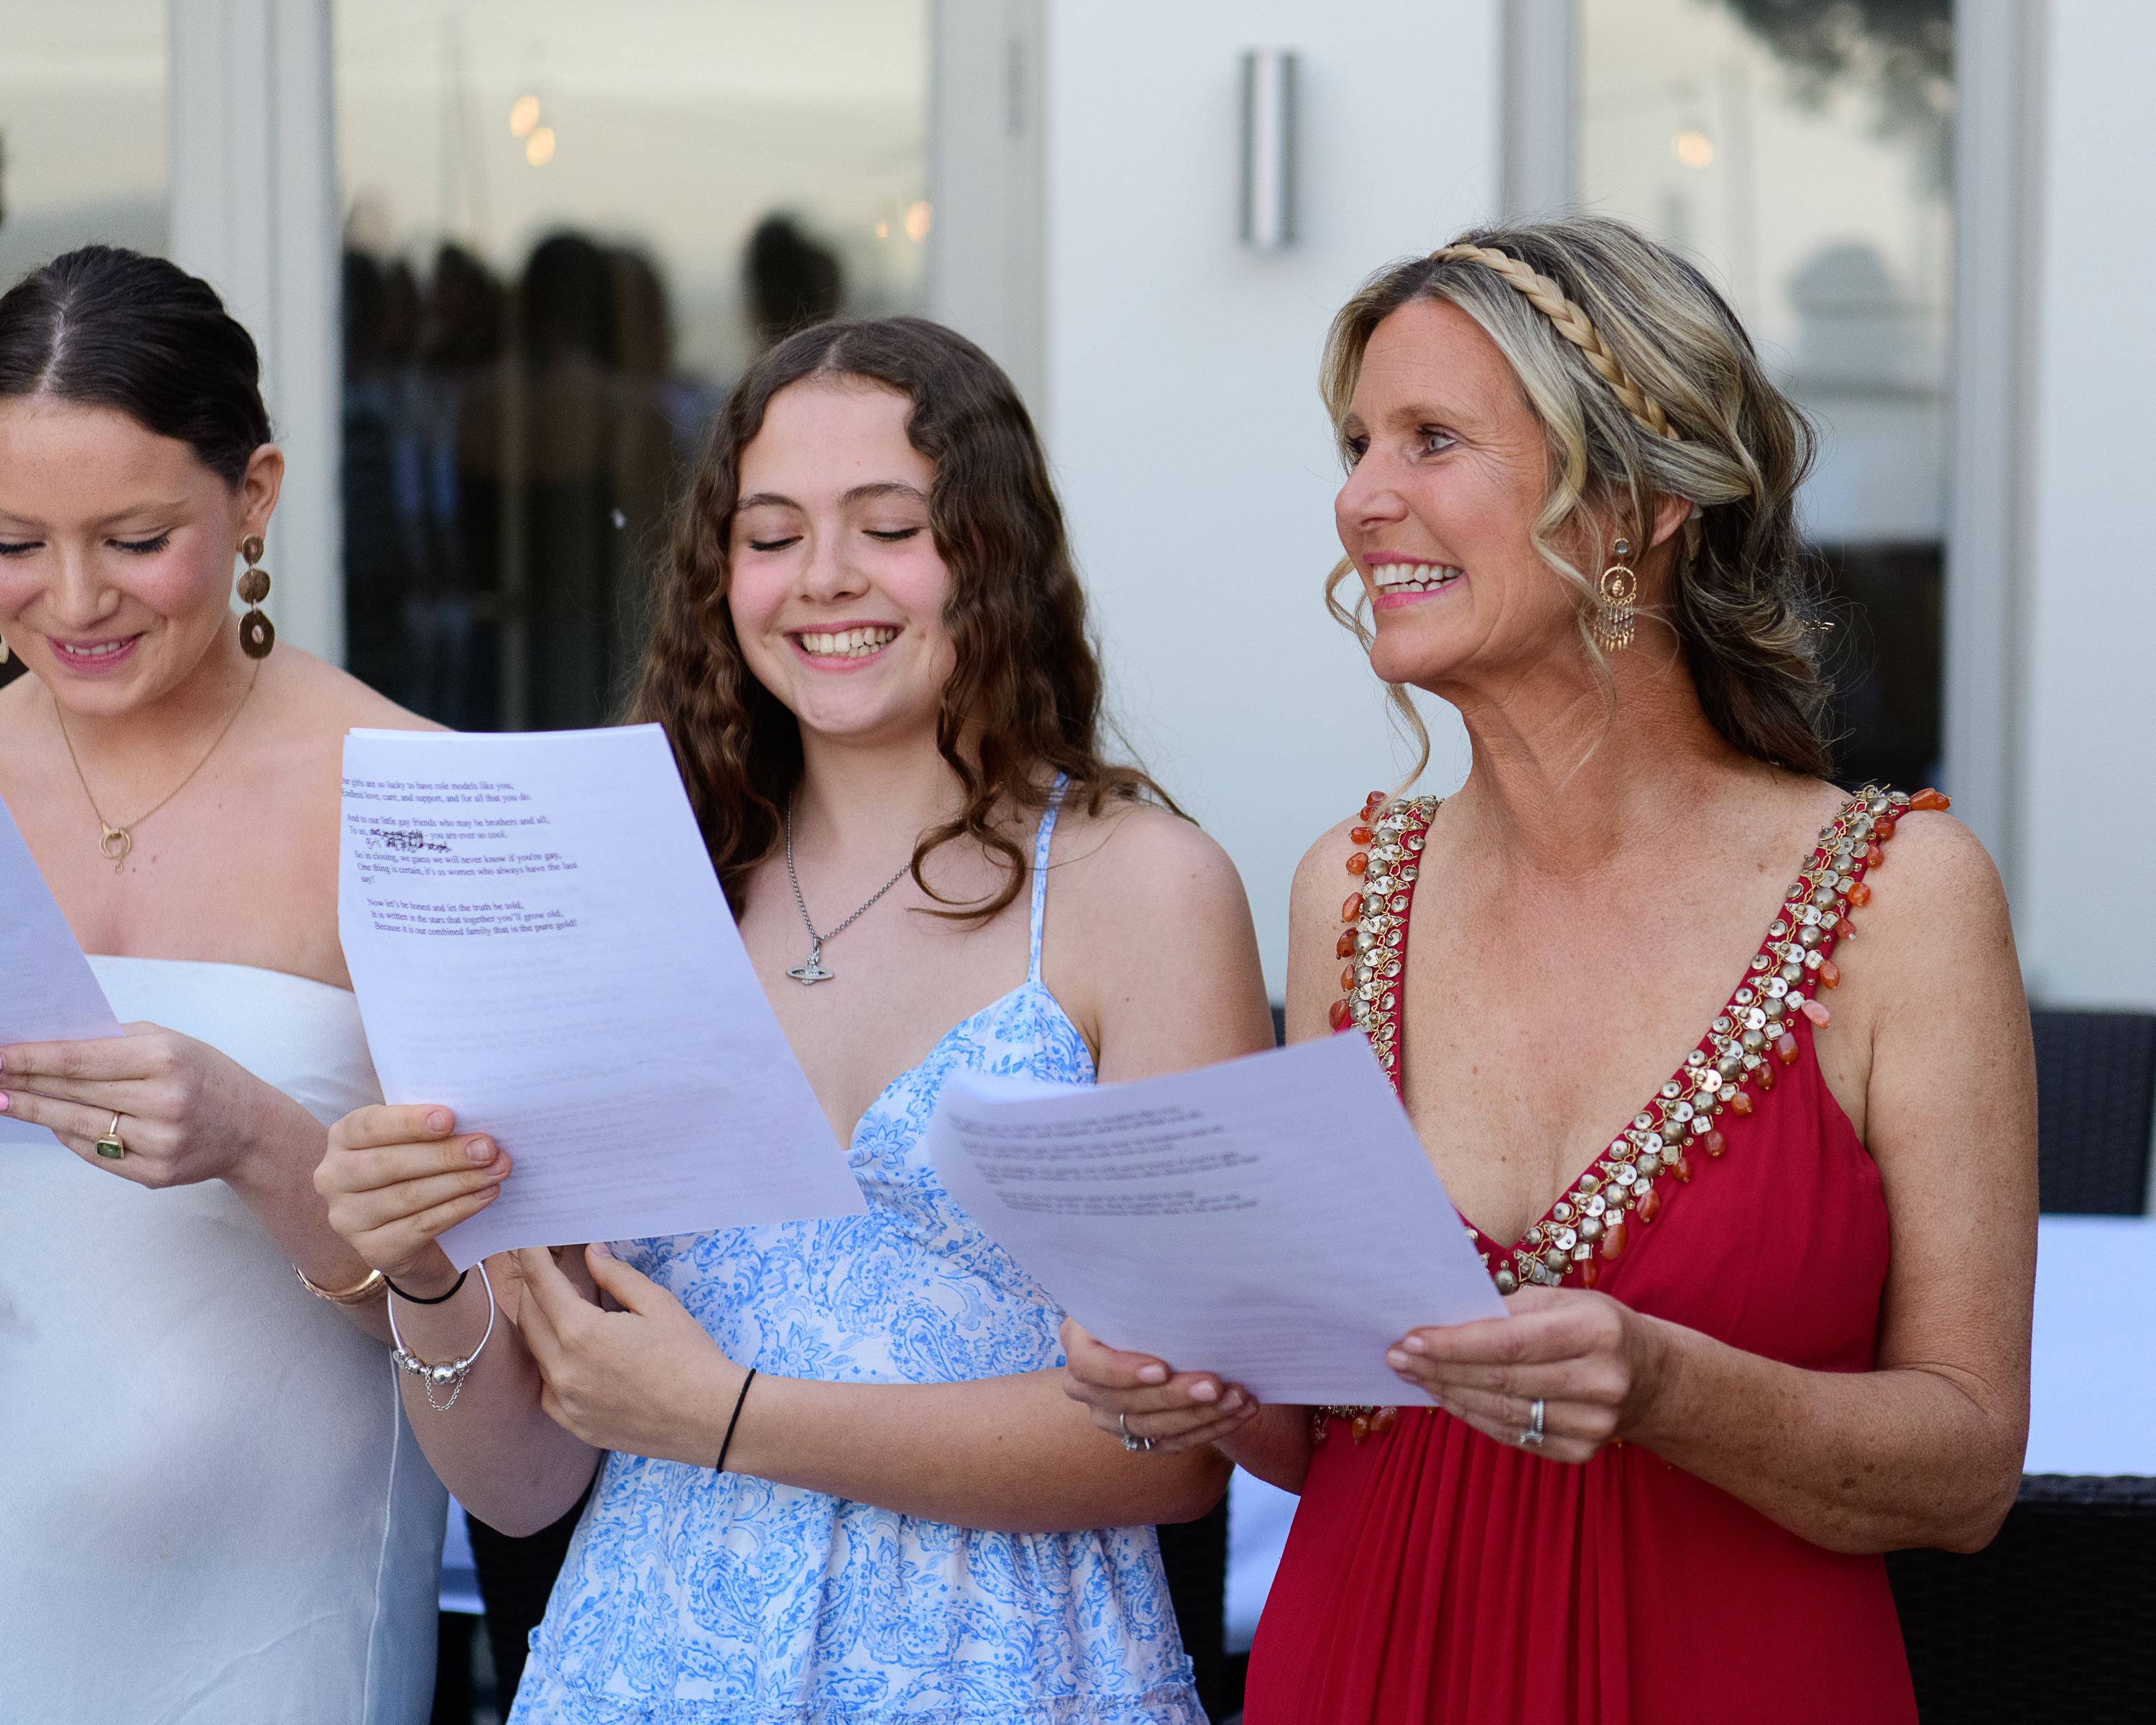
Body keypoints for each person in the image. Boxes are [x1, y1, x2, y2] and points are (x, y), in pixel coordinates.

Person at [1061, 218, 2036, 1722]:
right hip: (1364, 1669)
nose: (1361, 497)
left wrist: (1669, 1387)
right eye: (1357, 444)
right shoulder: (1347, 891)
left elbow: (1967, 1472)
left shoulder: (1903, 897)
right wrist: (1198, 1382)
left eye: (1432, 439)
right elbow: (1327, 1432)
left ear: (1642, 498)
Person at [316, 315, 1274, 1722]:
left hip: (1002, 1670)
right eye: (771, 536)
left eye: (889, 527)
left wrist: (725, 1418)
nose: (824, 577)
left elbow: (1178, 1450)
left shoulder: (1147, 889)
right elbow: (522, 1481)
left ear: (996, 552)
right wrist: (420, 1264)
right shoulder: (629, 883)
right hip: (644, 1670)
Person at [0, 247, 446, 1721]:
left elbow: (506, 1341)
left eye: (135, 539)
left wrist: (257, 1140)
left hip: (271, 1617)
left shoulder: (411, 801)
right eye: (12, 541)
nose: (74, 599)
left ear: (252, 497)